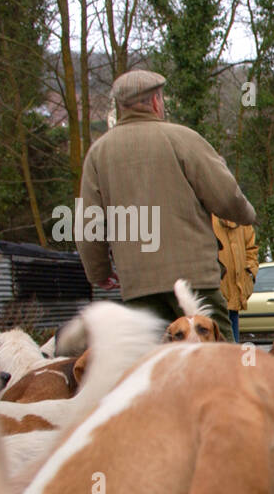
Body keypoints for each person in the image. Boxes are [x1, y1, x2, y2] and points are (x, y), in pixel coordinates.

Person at [78, 68, 255, 341]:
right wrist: (247, 214)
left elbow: (89, 226)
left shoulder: (98, 154)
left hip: (138, 284)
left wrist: (99, 272)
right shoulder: (183, 139)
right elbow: (227, 198)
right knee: (221, 364)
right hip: (194, 280)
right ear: (155, 101)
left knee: (156, 369)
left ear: (120, 106)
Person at [213, 214, 258, 343]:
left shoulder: (241, 216)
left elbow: (251, 249)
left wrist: (250, 272)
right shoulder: (205, 215)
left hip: (234, 298)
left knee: (231, 350)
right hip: (214, 296)